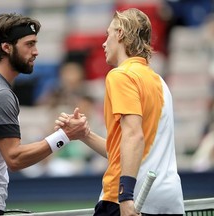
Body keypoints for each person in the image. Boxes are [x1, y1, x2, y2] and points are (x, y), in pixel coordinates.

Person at [0, 13, 89, 216]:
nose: (36, 51)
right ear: (6, 47)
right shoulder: (0, 94)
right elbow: (15, 158)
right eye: (29, 44)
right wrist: (64, 136)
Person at [55, 8, 184, 216]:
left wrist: (125, 196)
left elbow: (133, 136)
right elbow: (128, 150)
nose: (104, 43)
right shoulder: (160, 82)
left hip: (128, 199)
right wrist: (85, 135)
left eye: (108, 34)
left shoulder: (121, 75)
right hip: (168, 199)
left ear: (121, 34)